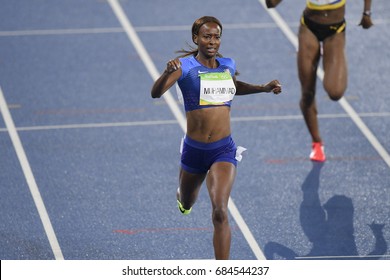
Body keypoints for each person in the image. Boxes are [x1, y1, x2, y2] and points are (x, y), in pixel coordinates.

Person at [151, 16, 282, 259]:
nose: (212, 41)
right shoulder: (184, 67)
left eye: (216, 36)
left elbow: (234, 86)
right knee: (187, 202)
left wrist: (262, 87)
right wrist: (165, 73)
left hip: (223, 150)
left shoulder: (227, 65)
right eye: (207, 36)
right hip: (194, 150)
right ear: (196, 39)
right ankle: (183, 197)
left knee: (220, 211)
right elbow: (156, 93)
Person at [266, 0, 373, 161]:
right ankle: (317, 142)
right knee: (307, 92)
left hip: (335, 30)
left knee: (335, 92)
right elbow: (271, 4)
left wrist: (367, 12)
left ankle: (334, 56)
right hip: (309, 28)